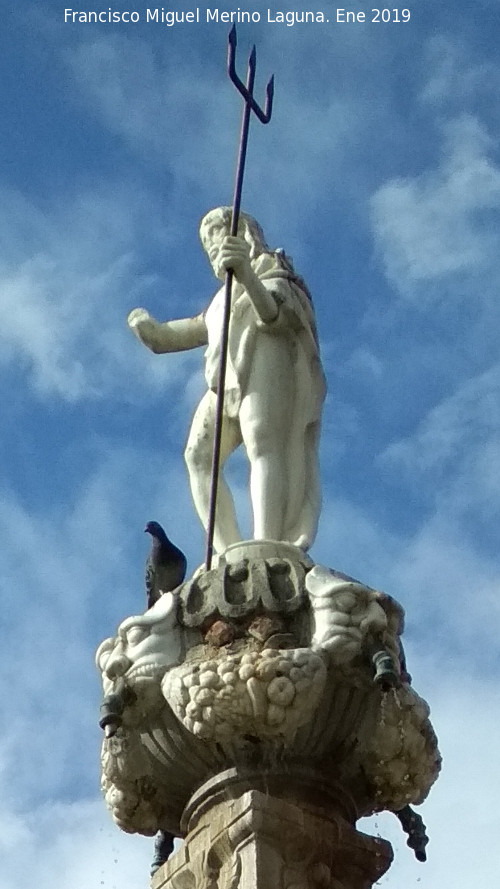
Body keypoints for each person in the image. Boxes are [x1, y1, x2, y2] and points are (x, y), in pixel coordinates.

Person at [128, 207, 326, 554]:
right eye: (208, 246)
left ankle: (267, 542)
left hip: (265, 358)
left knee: (263, 443)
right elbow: (192, 329)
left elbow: (274, 315)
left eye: (218, 238)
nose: (214, 249)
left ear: (244, 237)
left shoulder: (272, 273)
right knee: (198, 456)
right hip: (227, 377)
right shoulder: (222, 298)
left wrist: (247, 274)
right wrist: (153, 334)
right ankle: (226, 550)